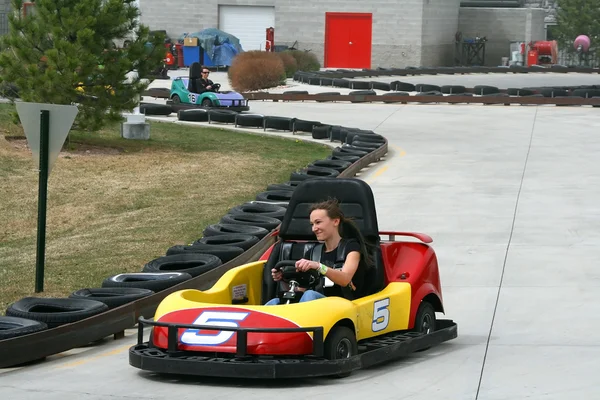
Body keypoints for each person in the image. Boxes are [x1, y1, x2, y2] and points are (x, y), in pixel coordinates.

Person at [265, 198, 373, 305]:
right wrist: (284, 278)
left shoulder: (351, 247)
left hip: (345, 305)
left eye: (318, 222)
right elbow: (301, 289)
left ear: (335, 221)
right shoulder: (313, 253)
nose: (314, 229)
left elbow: (345, 279)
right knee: (275, 302)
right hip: (319, 308)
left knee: (310, 295)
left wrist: (318, 266)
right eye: (312, 224)